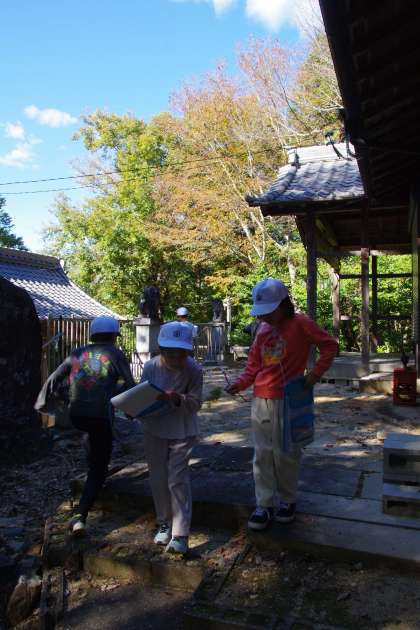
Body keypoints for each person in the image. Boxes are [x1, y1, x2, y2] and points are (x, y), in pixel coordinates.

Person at [226, 278, 337, 531]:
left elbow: (329, 345)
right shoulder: (262, 330)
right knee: (262, 453)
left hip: (291, 399)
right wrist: (240, 384)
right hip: (261, 399)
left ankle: (288, 500)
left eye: (269, 311)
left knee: (287, 452)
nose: (264, 317)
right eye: (261, 312)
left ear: (283, 305)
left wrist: (315, 374)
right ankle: (264, 504)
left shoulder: (301, 323)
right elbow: (253, 366)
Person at [35, 316, 135, 535]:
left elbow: (54, 377)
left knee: (91, 442)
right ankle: (80, 515)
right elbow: (130, 383)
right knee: (100, 465)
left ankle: (94, 477)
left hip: (76, 414)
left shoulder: (77, 353)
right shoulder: (115, 354)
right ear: (113, 336)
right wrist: (132, 409)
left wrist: (42, 403)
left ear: (93, 334)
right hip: (100, 415)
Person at [138, 320, 203, 555]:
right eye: (170, 352)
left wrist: (177, 398)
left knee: (177, 479)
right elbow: (141, 395)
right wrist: (134, 407)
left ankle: (180, 533)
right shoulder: (151, 367)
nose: (176, 357)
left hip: (182, 427)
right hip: (154, 426)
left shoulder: (194, 370)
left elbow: (196, 403)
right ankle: (163, 522)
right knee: (157, 476)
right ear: (161, 349)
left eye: (181, 353)